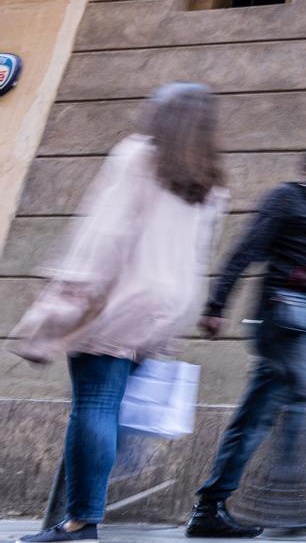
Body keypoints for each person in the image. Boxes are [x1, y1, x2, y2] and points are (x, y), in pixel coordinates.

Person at [9, 84, 227, 542]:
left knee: (95, 405)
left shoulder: (139, 155)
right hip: (167, 303)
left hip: (121, 296)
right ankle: (75, 508)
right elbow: (198, 252)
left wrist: (71, 293)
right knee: (107, 406)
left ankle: (80, 521)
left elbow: (106, 234)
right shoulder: (210, 181)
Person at [186, 149, 306, 539]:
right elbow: (246, 249)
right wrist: (216, 303)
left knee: (257, 415)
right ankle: (286, 503)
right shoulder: (285, 198)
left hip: (301, 320)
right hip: (281, 317)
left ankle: (213, 506)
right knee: (301, 395)